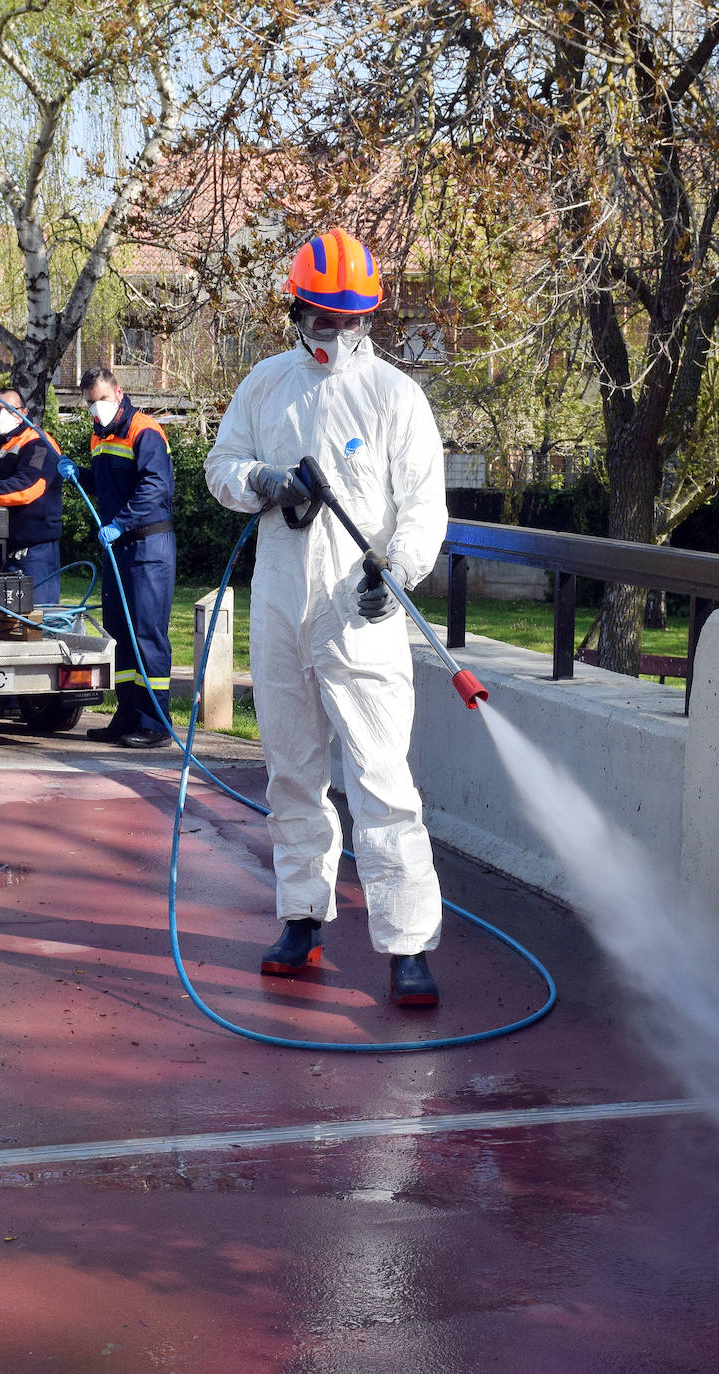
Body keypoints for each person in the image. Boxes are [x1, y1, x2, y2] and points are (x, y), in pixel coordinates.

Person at [204, 227, 449, 1007]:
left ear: (368, 317)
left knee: (381, 780)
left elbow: (422, 508)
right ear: (296, 310)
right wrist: (264, 481)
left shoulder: (394, 397)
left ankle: (406, 942)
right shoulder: (265, 384)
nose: (337, 332)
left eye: (351, 319)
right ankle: (301, 915)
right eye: (323, 317)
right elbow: (220, 468)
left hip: (360, 614)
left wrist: (396, 570)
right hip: (281, 603)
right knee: (292, 773)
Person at [61, 367, 176, 749]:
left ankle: (156, 723)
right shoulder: (99, 435)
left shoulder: (144, 430)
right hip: (120, 547)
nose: (97, 409)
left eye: (102, 400)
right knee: (120, 634)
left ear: (119, 392)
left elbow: (155, 487)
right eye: (91, 403)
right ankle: (128, 715)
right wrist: (78, 473)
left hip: (147, 546)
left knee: (146, 633)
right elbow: (108, 482)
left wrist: (120, 523)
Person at [0, 385, 64, 720]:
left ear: (24, 413)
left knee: (36, 622)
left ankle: (40, 701)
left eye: (8, 410)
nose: (0, 416)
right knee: (2, 625)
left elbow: (30, 487)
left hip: (34, 551)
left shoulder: (38, 443)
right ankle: (8, 697)